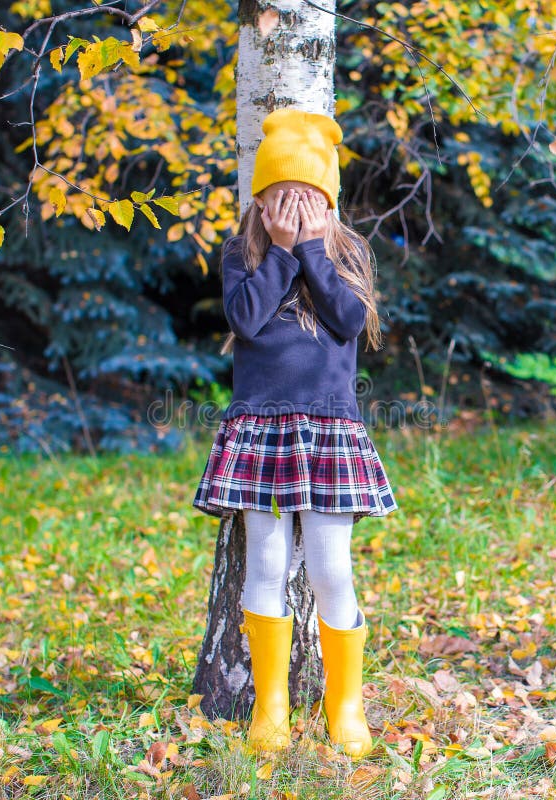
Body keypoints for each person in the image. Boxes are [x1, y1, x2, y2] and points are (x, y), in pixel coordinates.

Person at [192, 108, 398, 759]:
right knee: (269, 562)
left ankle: (346, 705)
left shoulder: (347, 253)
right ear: (261, 202)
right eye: (282, 201)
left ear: (328, 205)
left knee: (334, 569)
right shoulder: (242, 253)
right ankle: (270, 707)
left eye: (308, 202)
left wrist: (310, 249)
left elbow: (345, 319)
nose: (295, 212)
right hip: (260, 425)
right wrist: (280, 252)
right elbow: (247, 321)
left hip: (331, 429)